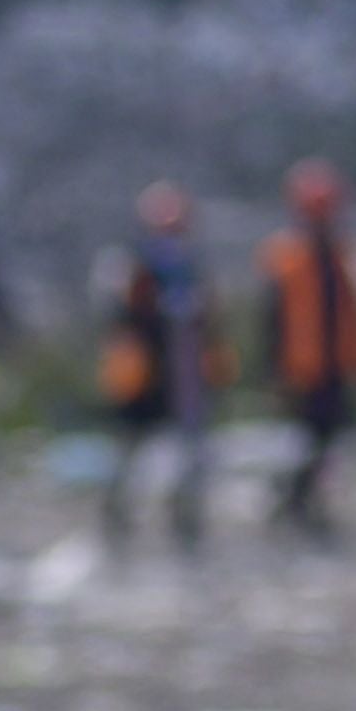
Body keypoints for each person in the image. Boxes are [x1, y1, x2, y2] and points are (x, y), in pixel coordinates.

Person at [94, 182, 217, 554]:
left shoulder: (192, 267)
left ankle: (185, 517)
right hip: (144, 378)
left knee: (190, 452)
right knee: (130, 449)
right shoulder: (129, 267)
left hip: (183, 378)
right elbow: (119, 319)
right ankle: (115, 514)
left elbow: (209, 321)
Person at [257, 160, 356, 539]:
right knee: (300, 440)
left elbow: (354, 311)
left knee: (328, 438)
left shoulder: (341, 254)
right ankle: (293, 501)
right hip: (301, 368)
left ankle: (301, 499)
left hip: (335, 365)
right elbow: (271, 319)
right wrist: (274, 370)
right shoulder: (286, 255)